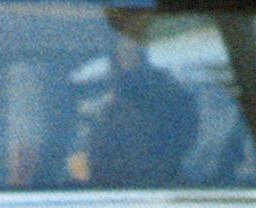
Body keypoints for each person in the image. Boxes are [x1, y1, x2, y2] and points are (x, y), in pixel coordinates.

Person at [69, 31, 199, 187]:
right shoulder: (97, 89)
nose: (127, 58)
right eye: (122, 51)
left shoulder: (166, 92)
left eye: (134, 51)